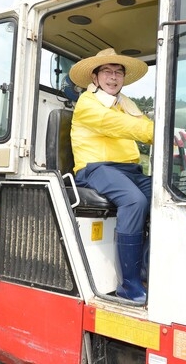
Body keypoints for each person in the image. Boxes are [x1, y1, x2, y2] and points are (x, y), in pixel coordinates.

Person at [69, 48, 153, 303]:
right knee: (134, 201)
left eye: (118, 72)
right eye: (107, 71)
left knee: (164, 196)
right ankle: (129, 285)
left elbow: (144, 124)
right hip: (95, 168)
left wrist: (173, 138)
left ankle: (146, 271)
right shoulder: (88, 103)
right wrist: (159, 131)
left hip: (128, 170)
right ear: (94, 78)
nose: (113, 77)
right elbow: (117, 125)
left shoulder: (126, 104)